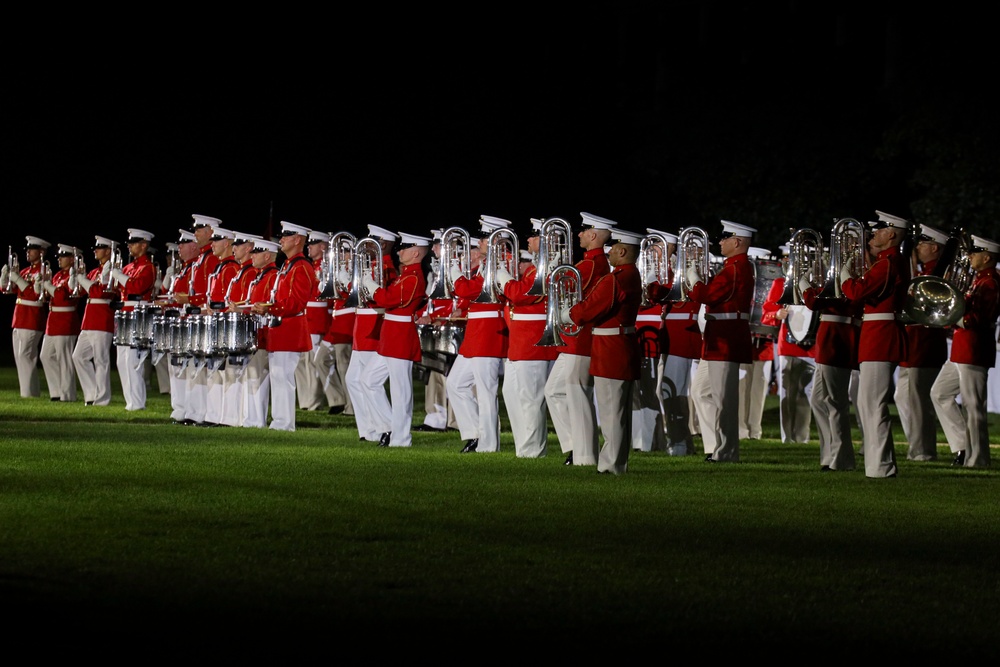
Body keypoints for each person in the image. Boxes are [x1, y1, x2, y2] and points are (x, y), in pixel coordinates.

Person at [563, 227, 642, 474]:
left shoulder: (616, 278)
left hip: (611, 349)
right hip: (623, 346)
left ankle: (610, 466)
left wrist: (569, 313)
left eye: (613, 250)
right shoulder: (632, 275)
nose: (609, 254)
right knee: (619, 412)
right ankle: (617, 463)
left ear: (621, 250)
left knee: (611, 413)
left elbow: (589, 309)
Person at [840, 210, 910, 478]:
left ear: (891, 234)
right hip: (876, 332)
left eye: (879, 230)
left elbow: (857, 292)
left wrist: (846, 273)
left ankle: (881, 466)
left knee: (873, 402)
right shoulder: (886, 261)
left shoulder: (889, 262)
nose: (873, 234)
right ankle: (878, 463)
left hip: (881, 333)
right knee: (868, 402)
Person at [544, 213, 614, 465]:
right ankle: (576, 447)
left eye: (584, 231)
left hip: (581, 338)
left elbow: (556, 288)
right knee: (554, 391)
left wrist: (553, 268)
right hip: (573, 339)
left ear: (593, 235)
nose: (579, 234)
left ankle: (584, 455)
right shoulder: (588, 264)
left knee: (578, 394)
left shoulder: (591, 265)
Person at [686, 220, 756, 463]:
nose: (720, 242)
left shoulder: (736, 268)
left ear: (736, 242)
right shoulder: (733, 267)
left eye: (725, 238)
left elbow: (707, 295)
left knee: (723, 399)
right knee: (702, 391)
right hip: (718, 337)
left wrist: (694, 278)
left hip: (726, 338)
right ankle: (715, 445)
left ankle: (726, 451)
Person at [930, 234, 1000, 468]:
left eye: (975, 252)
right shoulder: (979, 279)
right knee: (939, 393)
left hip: (974, 348)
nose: (969, 256)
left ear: (987, 256)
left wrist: (949, 314)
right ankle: (962, 447)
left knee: (973, 406)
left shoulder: (990, 282)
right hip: (962, 348)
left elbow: (975, 320)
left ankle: (978, 459)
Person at [359, 232, 430, 447]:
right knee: (368, 380)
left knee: (401, 391)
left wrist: (371, 286)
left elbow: (389, 298)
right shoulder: (405, 275)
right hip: (391, 335)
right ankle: (389, 427)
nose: (399, 251)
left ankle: (401, 438)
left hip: (400, 336)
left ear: (416, 252)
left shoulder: (413, 277)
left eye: (405, 248)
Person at [446, 217, 509, 454]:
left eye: (484, 238)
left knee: (486, 391)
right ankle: (474, 434)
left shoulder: (502, 263)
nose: (480, 242)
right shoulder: (487, 263)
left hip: (489, 333)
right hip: (477, 333)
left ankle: (489, 444)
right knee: (455, 384)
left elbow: (470, 289)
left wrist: (454, 271)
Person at [498, 218, 558, 459]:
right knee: (512, 394)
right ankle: (524, 448)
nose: (529, 240)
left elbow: (521, 294)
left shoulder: (547, 266)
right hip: (522, 341)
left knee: (531, 399)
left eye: (534, 236)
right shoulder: (537, 266)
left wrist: (503, 277)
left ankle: (534, 451)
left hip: (533, 342)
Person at [251, 221, 317, 432]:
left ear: (297, 240)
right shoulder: (289, 265)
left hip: (290, 328)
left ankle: (285, 423)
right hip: (281, 328)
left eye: (286, 236)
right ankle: (279, 421)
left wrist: (271, 309)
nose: (281, 240)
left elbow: (297, 302)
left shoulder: (301, 266)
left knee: (283, 377)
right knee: (279, 376)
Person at [800, 254, 863, 471]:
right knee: (818, 400)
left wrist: (804, 281)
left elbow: (813, 302)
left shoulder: (852, 278)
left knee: (835, 403)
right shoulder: (842, 278)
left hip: (837, 340)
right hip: (829, 339)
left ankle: (842, 459)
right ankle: (830, 454)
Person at [894, 222, 949, 461]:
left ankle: (924, 450)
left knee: (919, 400)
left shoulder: (938, 274)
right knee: (902, 396)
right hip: (911, 343)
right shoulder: (920, 270)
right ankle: (915, 442)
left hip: (925, 343)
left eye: (924, 243)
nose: (919, 247)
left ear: (936, 248)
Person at [647, 229, 700, 456]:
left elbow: (673, 295)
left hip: (681, 336)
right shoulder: (667, 271)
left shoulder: (683, 269)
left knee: (673, 390)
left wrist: (653, 282)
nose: (652, 250)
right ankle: (681, 441)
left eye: (657, 246)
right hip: (667, 335)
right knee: (664, 390)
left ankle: (679, 443)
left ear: (669, 248)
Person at [346, 225, 399, 443]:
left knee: (368, 380)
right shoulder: (372, 265)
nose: (368, 244)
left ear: (383, 244)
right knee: (353, 380)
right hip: (362, 325)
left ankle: (385, 427)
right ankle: (369, 429)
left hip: (373, 325)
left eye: (373, 240)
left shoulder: (387, 268)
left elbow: (379, 297)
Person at [767, 240, 816, 444]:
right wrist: (776, 314)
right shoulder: (780, 283)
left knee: (806, 394)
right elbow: (767, 310)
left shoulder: (817, 286)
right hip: (787, 344)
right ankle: (788, 437)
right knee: (787, 392)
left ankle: (802, 436)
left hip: (812, 346)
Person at [177, 214, 221, 425]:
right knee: (195, 366)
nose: (195, 233)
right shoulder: (203, 257)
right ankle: (193, 412)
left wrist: (190, 299)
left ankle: (201, 412)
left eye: (199, 229)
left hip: (204, 315)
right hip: (196, 314)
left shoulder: (211, 258)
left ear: (210, 232)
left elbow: (210, 294)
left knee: (203, 366)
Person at [106, 228, 156, 411]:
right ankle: (130, 402)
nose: (129, 246)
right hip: (125, 313)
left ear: (143, 245)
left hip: (138, 313)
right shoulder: (129, 267)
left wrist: (118, 275)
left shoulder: (148, 267)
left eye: (133, 243)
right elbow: (119, 290)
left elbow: (137, 288)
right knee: (121, 360)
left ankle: (137, 403)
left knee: (133, 360)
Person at [414, 228, 458, 432]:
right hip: (436, 324)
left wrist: (433, 317)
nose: (433, 248)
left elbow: (457, 301)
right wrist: (421, 313)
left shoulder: (457, 268)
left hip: (449, 326)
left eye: (437, 244)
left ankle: (452, 420)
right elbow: (433, 299)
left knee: (449, 375)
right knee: (434, 371)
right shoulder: (439, 268)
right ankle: (436, 417)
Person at [2, 235, 51, 397]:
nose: (28, 252)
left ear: (41, 252)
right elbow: (9, 290)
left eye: (32, 250)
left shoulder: (44, 271)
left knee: (26, 355)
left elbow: (33, 295)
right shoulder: (25, 271)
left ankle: (27, 394)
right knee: (20, 357)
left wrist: (17, 278)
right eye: (28, 250)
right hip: (19, 317)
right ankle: (32, 392)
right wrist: (4, 279)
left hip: (32, 317)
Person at [72, 235, 118, 406]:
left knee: (101, 360)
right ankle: (91, 394)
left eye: (99, 248)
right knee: (78, 356)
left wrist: (82, 279)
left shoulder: (112, 269)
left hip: (102, 318)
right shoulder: (94, 271)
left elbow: (99, 293)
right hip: (89, 319)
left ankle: (102, 399)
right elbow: (79, 293)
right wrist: (76, 278)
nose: (95, 251)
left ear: (108, 251)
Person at [202, 226, 240, 426]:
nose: (212, 244)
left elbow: (232, 300)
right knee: (214, 370)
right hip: (216, 321)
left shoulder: (231, 267)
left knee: (223, 372)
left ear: (227, 243)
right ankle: (213, 415)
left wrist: (218, 312)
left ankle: (224, 416)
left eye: (216, 241)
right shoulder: (221, 266)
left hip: (224, 324)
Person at [740, 246, 778, 440]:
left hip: (764, 343)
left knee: (757, 389)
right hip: (744, 338)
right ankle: (742, 429)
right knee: (741, 386)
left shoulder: (776, 280)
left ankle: (754, 429)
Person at [37, 244, 83, 401]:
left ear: (71, 259)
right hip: (53, 320)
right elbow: (51, 297)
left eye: (62, 257)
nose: (59, 260)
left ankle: (67, 395)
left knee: (64, 359)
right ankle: (56, 391)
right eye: (59, 257)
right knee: (45, 355)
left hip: (65, 319)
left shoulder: (74, 275)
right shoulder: (57, 275)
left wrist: (50, 287)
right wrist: (42, 287)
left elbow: (64, 296)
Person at [242, 238, 280, 428]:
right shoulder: (261, 275)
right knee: (253, 375)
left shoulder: (272, 275)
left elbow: (270, 303)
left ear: (267, 256)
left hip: (264, 330)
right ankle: (252, 418)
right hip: (256, 330)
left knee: (259, 376)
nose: (252, 256)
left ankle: (258, 419)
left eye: (256, 253)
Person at [319, 232, 355, 417]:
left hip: (348, 320)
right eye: (341, 252)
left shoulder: (356, 268)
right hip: (337, 321)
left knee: (345, 364)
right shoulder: (340, 267)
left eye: (347, 252)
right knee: (321, 359)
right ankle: (338, 400)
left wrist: (346, 280)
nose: (343, 256)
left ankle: (351, 406)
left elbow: (356, 295)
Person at [296, 229, 330, 411]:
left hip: (317, 319)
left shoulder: (327, 267)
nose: (309, 247)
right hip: (306, 318)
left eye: (313, 244)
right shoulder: (312, 266)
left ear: (323, 246)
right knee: (301, 362)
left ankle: (314, 400)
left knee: (312, 361)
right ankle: (305, 400)